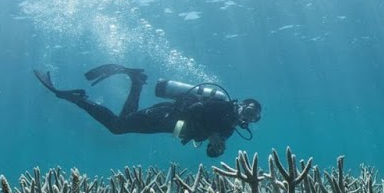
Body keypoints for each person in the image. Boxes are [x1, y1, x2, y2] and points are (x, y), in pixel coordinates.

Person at [34, 64, 261, 157]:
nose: (248, 117)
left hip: (167, 125)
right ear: (241, 105)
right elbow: (196, 107)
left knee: (121, 123)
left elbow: (210, 152)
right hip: (164, 116)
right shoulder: (222, 106)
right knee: (117, 127)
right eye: (249, 110)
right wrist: (211, 132)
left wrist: (216, 149)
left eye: (253, 117)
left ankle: (136, 80)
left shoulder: (229, 128)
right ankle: (78, 99)